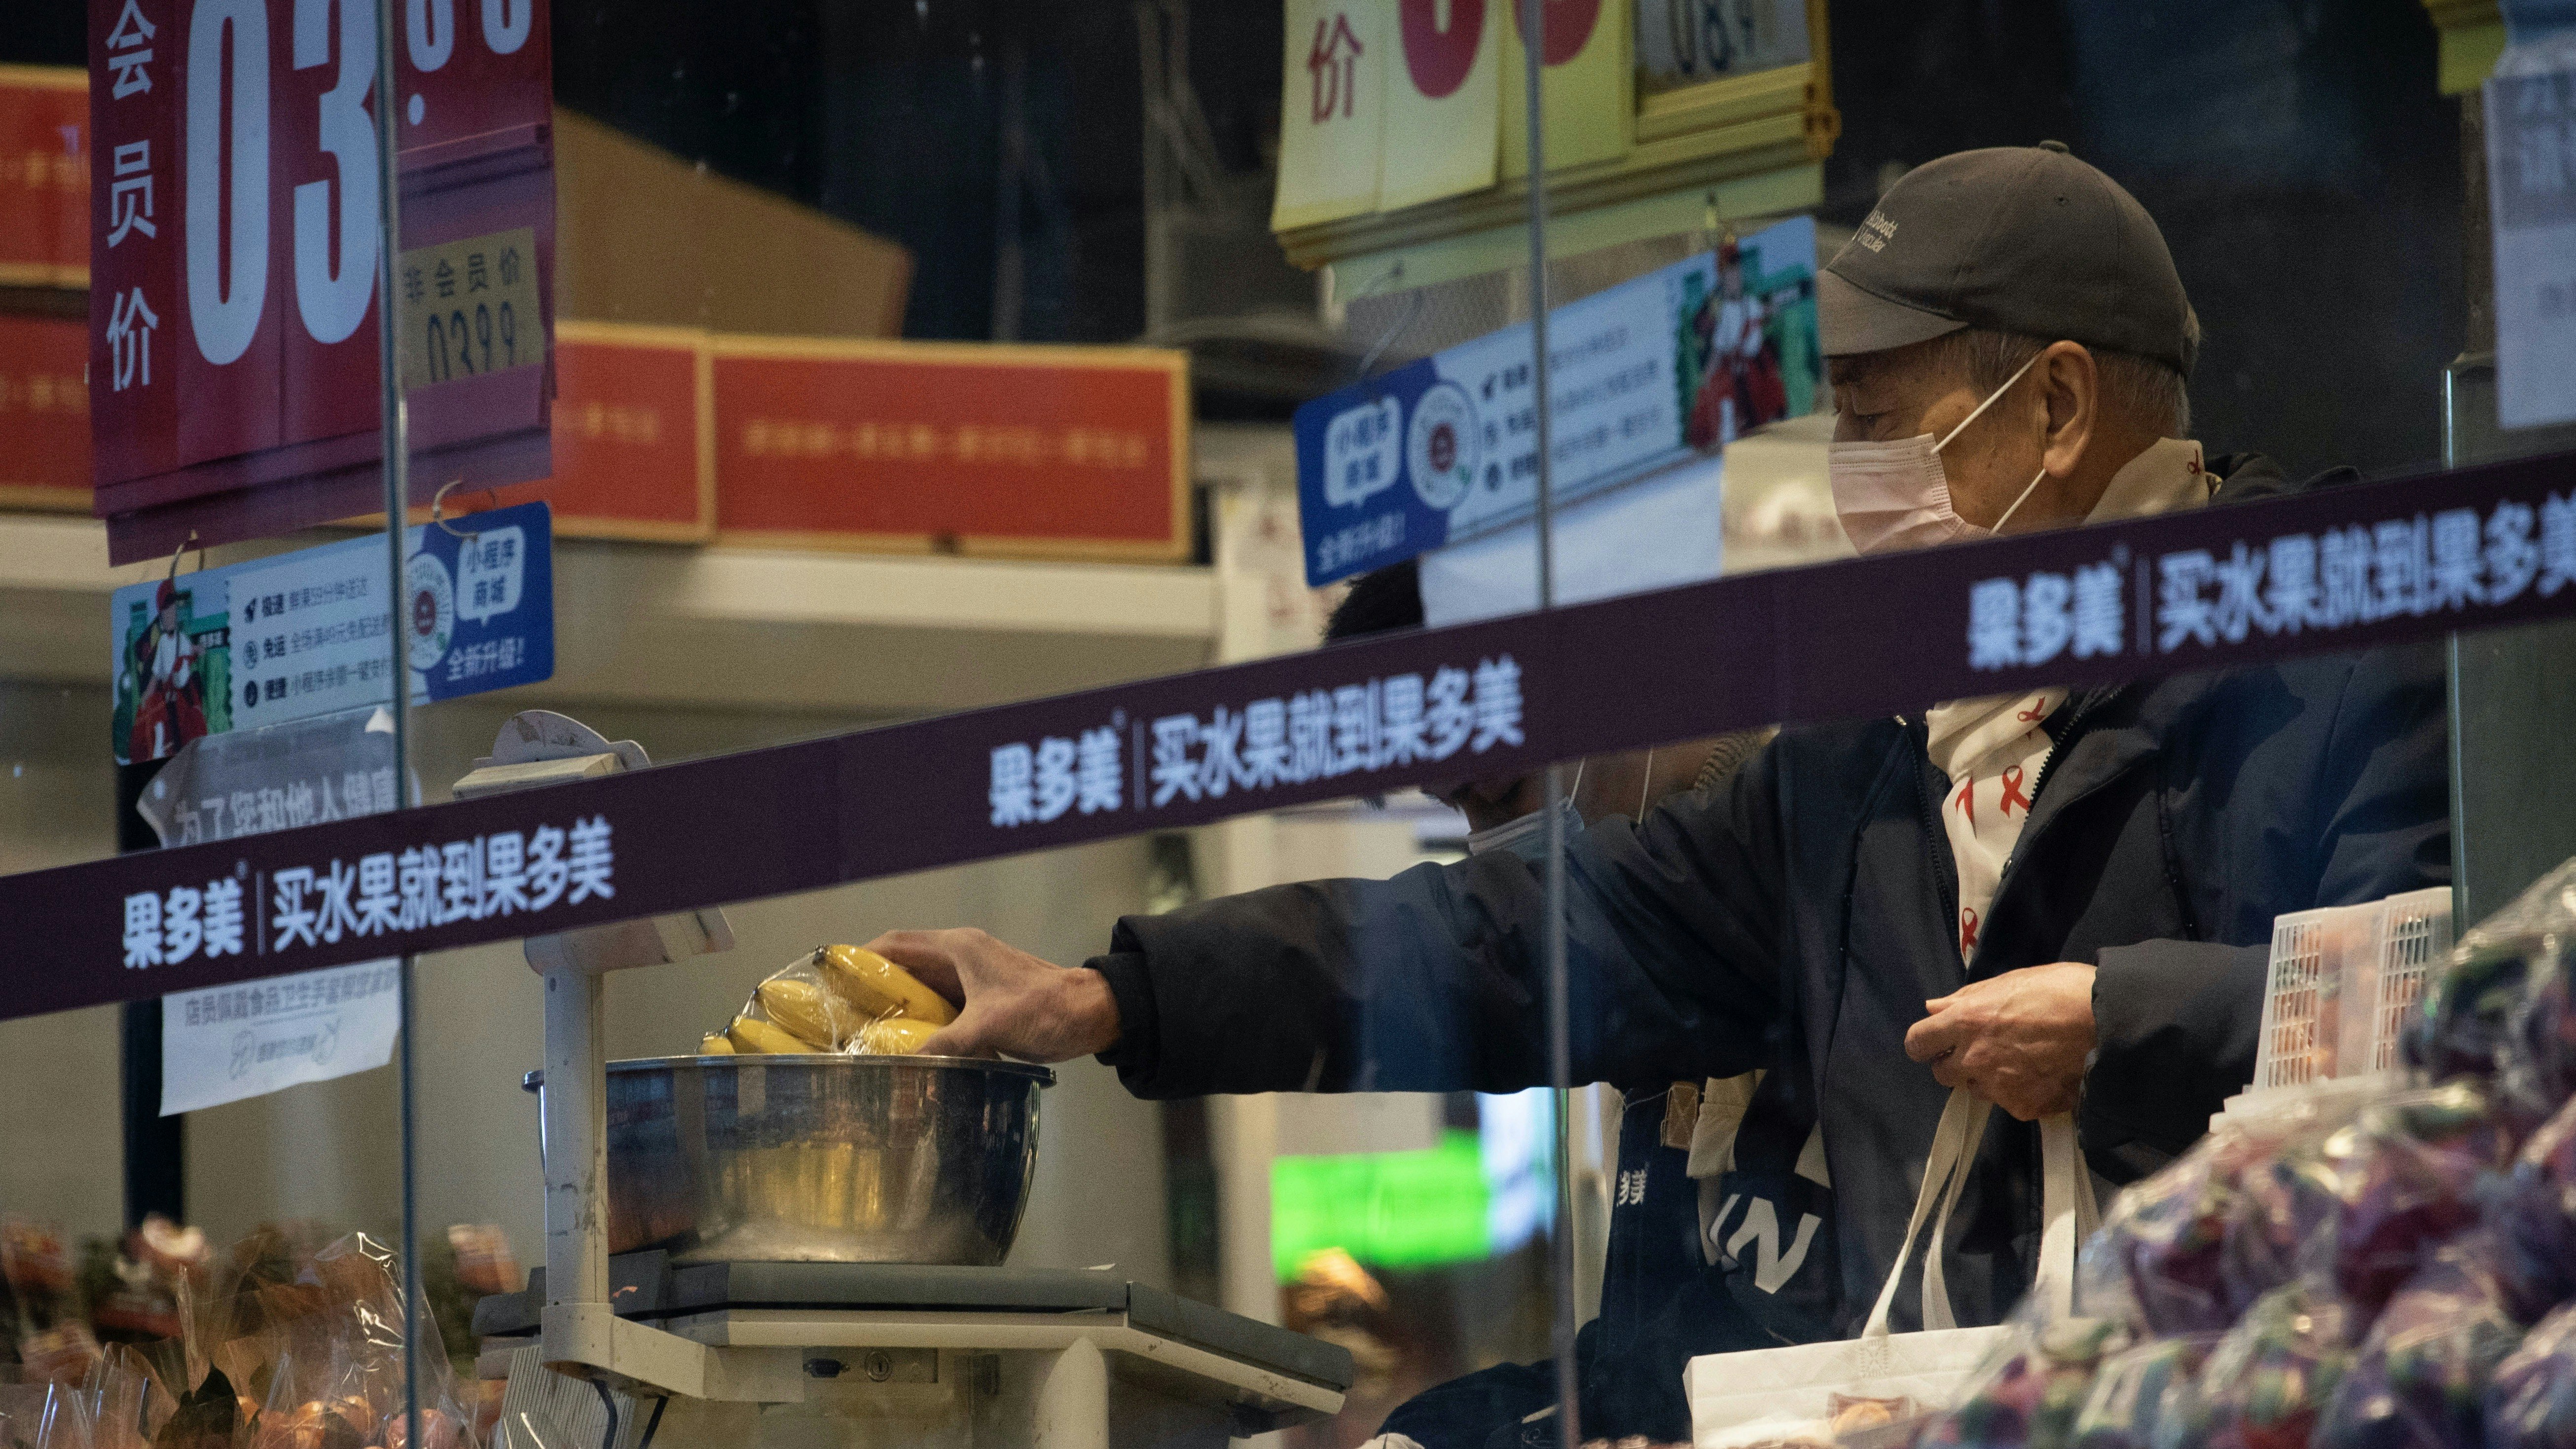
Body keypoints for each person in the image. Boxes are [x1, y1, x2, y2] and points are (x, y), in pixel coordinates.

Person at [874, 146, 2449, 1441]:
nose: (1849, 469)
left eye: (1880, 419)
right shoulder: (1867, 763)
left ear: (2050, 408)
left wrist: (2126, 1022)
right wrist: (1111, 995)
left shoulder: (2328, 660)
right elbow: (1510, 933)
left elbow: (2462, 1015)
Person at [1316, 561, 1776, 1448]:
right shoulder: (1625, 920)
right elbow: (1652, 1356)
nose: (1489, 840)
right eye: (1455, 805)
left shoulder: (1810, 865)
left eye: (1498, 788)